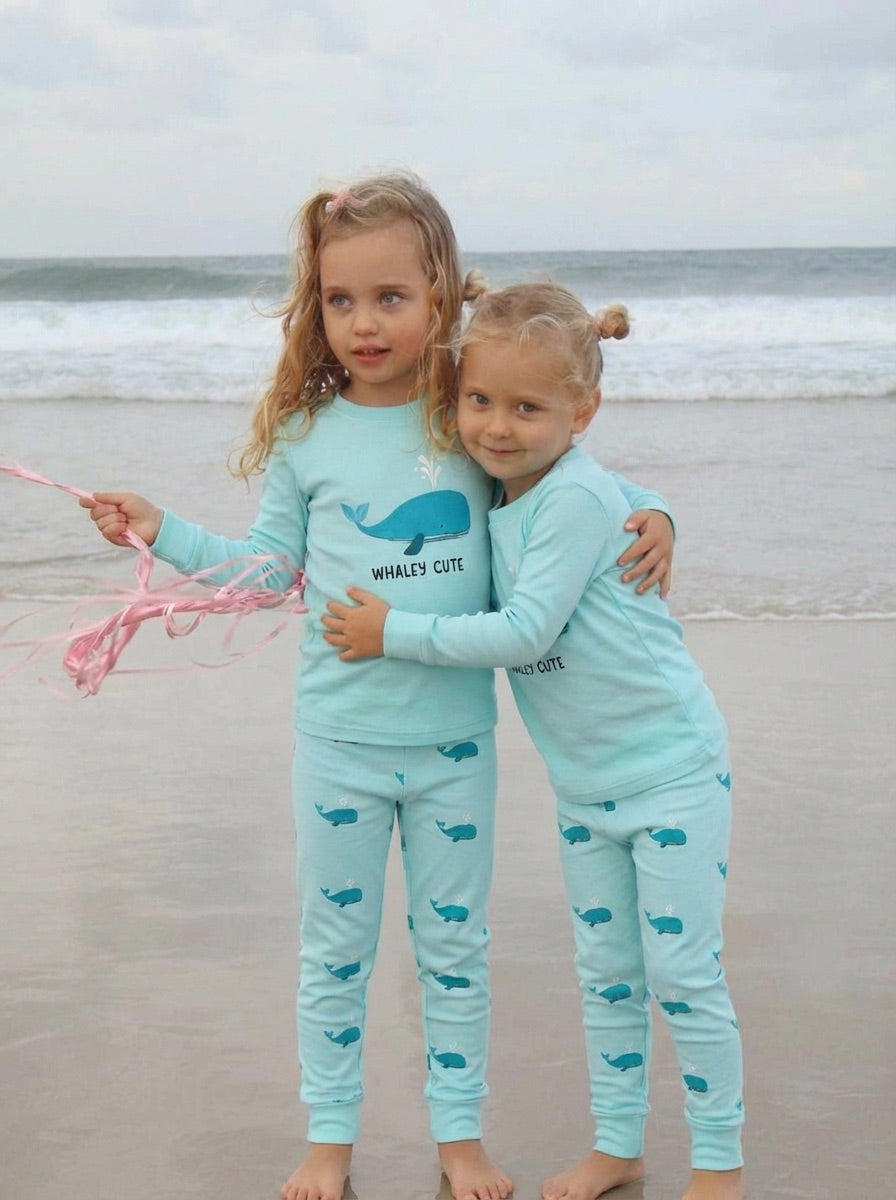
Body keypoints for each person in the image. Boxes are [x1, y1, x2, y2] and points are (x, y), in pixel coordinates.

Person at [80, 177, 676, 1200]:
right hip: (339, 744)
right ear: (314, 305)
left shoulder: (470, 410)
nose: (362, 322)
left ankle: (457, 1137)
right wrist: (160, 529)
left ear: (437, 293)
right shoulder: (310, 438)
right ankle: (328, 1137)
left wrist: (656, 510)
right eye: (339, 299)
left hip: (454, 745)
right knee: (334, 949)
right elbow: (270, 570)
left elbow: (571, 471)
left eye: (389, 297)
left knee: (454, 947)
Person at [322, 282, 745, 1200]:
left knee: (681, 971)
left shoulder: (573, 498)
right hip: (586, 789)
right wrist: (660, 501)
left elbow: (523, 634)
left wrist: (391, 630)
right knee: (607, 976)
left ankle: (720, 1162)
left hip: (671, 771)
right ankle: (619, 1147)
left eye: (528, 408)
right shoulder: (500, 480)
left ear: (582, 411)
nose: (498, 427)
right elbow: (614, 486)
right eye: (480, 400)